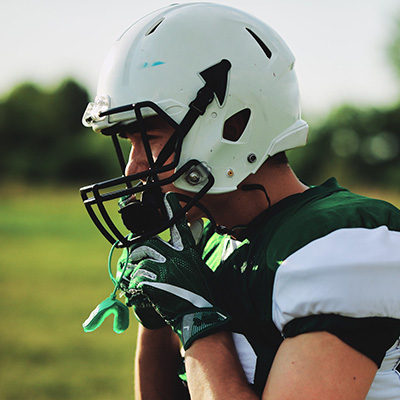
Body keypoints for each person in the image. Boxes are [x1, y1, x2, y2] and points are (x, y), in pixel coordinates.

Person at [80, 3, 400, 399]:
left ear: (234, 125)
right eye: (129, 143)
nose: (133, 169)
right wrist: (158, 317)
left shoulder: (340, 246)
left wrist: (194, 320)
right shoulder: (209, 246)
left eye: (150, 138)